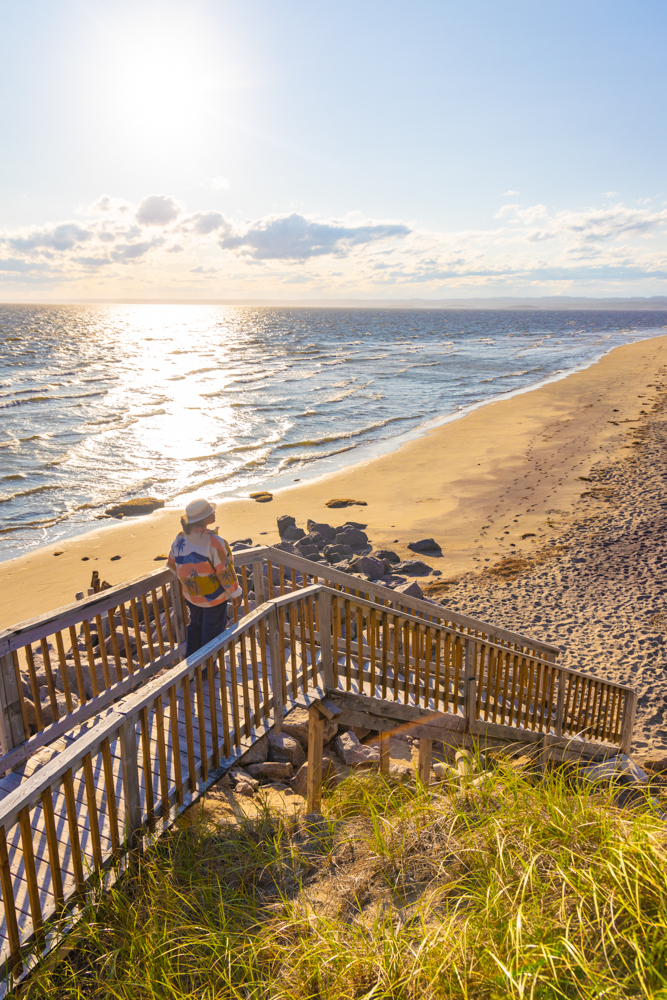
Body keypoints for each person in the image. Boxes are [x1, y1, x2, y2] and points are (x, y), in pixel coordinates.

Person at [167, 498, 242, 658]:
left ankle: (192, 666)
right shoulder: (215, 541)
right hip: (213, 597)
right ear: (203, 519)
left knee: (195, 626)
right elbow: (225, 572)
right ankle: (207, 669)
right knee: (212, 633)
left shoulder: (180, 538)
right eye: (210, 512)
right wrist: (235, 593)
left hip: (192, 595)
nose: (214, 513)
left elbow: (172, 564)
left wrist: (189, 580)